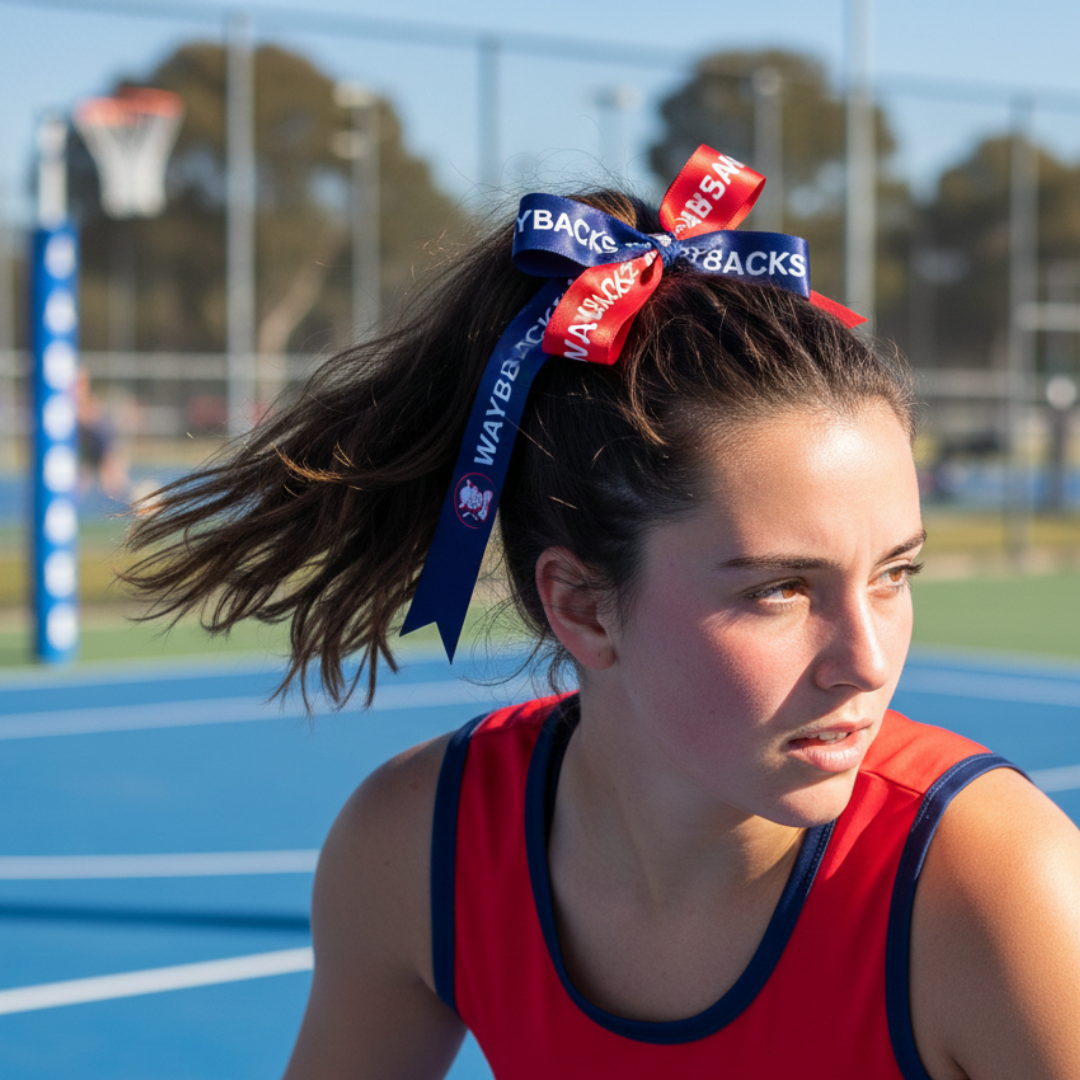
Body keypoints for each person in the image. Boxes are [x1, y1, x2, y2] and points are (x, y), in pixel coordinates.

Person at [124, 147, 1080, 1080]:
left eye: (894, 572)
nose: (866, 659)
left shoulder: (998, 892)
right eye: (780, 589)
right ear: (581, 607)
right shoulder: (421, 852)